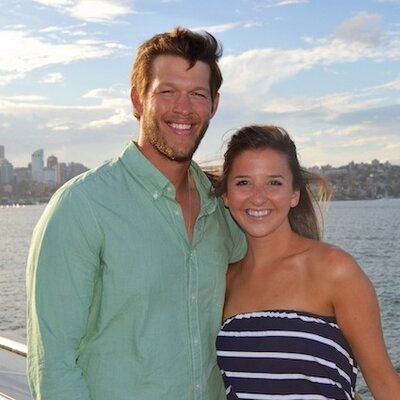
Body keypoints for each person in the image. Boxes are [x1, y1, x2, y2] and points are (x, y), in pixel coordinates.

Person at [26, 27, 246, 400]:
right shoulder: (82, 206)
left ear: (214, 105)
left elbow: (271, 279)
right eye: (167, 92)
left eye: (197, 94)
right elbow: (53, 365)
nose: (183, 108)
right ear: (137, 100)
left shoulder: (222, 207)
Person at [215, 125, 400, 399]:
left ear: (294, 194)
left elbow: (385, 385)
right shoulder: (225, 281)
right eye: (243, 182)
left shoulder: (334, 270)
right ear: (226, 196)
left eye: (274, 182)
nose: (258, 196)